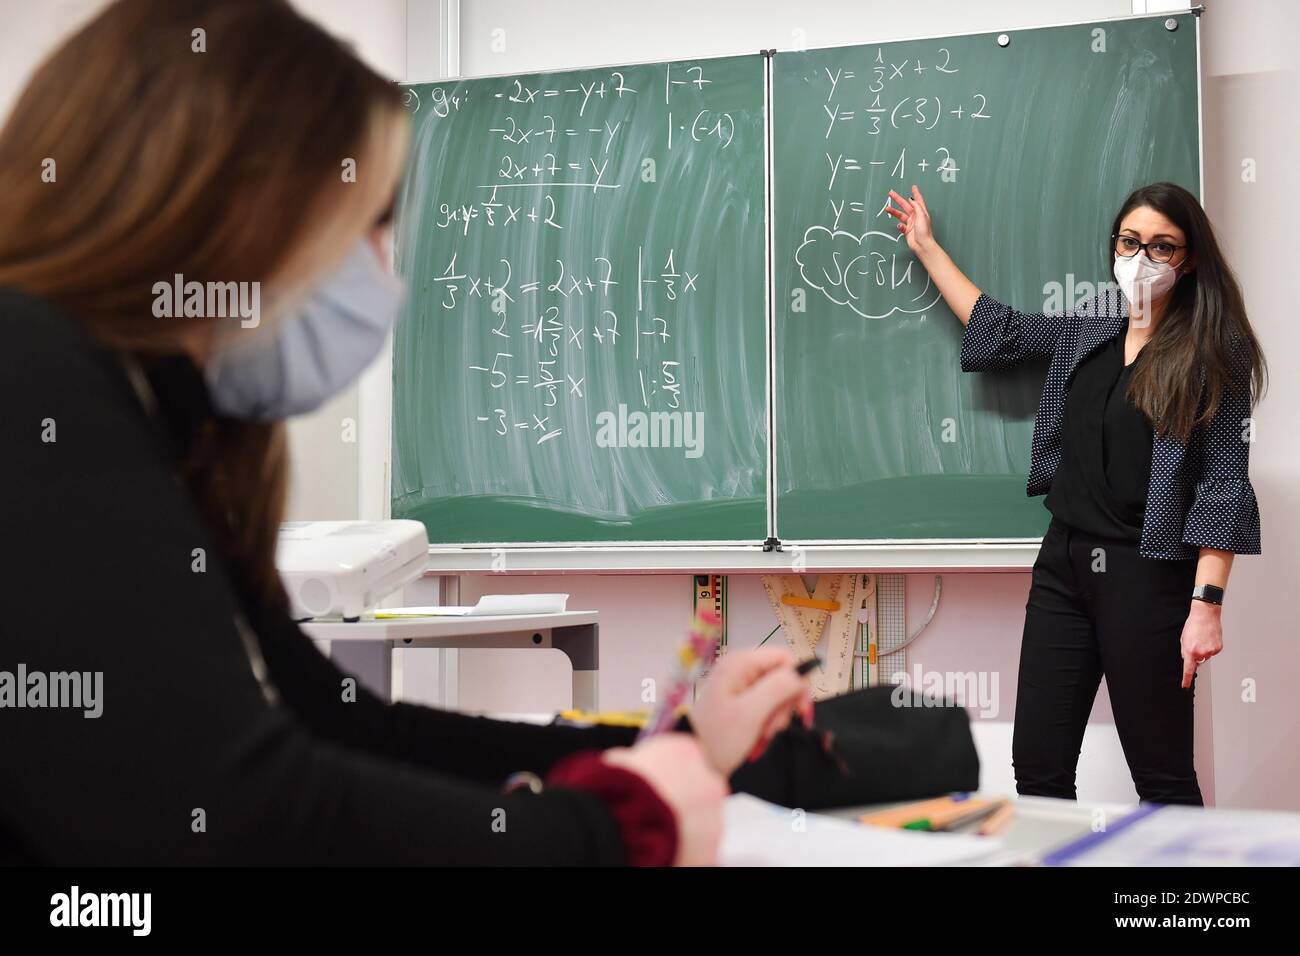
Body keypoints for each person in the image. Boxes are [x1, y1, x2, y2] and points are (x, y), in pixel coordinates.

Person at [0, 0, 811, 865]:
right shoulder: (30, 372)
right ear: (237, 204)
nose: (385, 272)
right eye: (371, 222)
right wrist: (611, 829)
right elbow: (235, 814)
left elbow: (342, 733)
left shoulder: (165, 432)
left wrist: (667, 748)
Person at [884, 182, 1265, 806]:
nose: (1141, 258)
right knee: (1038, 770)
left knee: (1163, 777)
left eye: (1162, 247)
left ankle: (1191, 902)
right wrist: (926, 248)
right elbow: (998, 331)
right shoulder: (1090, 329)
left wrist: (1208, 605)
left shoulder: (1213, 351)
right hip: (1063, 565)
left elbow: (1223, 483)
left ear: (1189, 258)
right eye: (1130, 242)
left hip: (1149, 576)